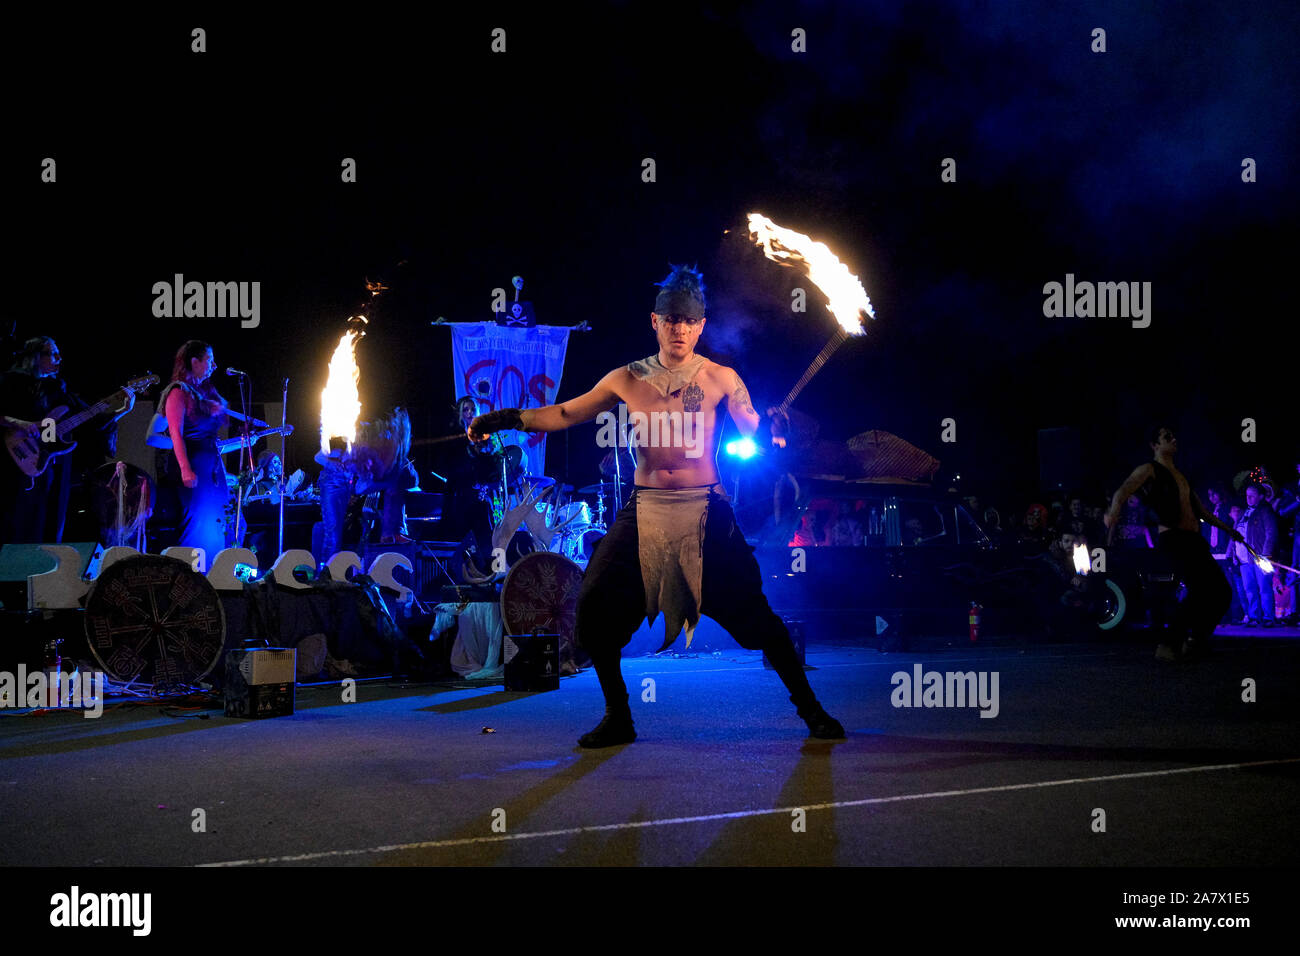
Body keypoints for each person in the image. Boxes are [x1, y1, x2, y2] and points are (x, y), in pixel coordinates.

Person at [468, 264, 843, 746]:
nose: (680, 328)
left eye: (689, 321)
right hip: (644, 510)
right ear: (655, 321)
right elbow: (565, 412)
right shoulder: (627, 379)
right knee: (594, 608)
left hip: (706, 512)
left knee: (758, 622)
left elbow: (754, 428)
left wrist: (777, 429)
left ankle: (812, 711)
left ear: (701, 326)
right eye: (671, 319)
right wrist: (503, 418)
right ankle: (619, 718)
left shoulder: (721, 378)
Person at [1104, 426, 1241, 660]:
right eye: (1167, 437)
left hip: (1193, 540)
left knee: (1222, 592)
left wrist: (1229, 529)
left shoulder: (1181, 475)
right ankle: (1168, 645)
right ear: (1154, 445)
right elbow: (1124, 490)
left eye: (1173, 435)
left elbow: (1201, 511)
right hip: (1173, 539)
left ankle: (1195, 640)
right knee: (1199, 590)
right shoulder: (1149, 469)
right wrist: (1113, 511)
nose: (1174, 439)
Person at [0, 336, 134, 544]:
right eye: (53, 353)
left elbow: (88, 418)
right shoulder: (11, 382)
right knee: (15, 521)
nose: (59, 358)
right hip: (13, 456)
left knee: (47, 522)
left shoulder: (58, 388)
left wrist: (121, 411)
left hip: (48, 464)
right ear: (36, 356)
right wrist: (23, 424)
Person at [153, 341, 230, 564]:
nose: (214, 365)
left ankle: (217, 572)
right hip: (193, 464)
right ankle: (193, 575)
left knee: (219, 520)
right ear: (194, 362)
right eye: (209, 360)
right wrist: (186, 469)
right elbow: (175, 433)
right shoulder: (177, 391)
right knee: (199, 523)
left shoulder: (204, 392)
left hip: (211, 465)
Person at [316, 407, 417, 556]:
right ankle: (327, 570)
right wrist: (340, 466)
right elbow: (318, 457)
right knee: (330, 531)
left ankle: (391, 534)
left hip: (363, 494)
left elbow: (412, 480)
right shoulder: (348, 444)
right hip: (340, 492)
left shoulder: (387, 452)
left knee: (394, 484)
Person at [1235, 483, 1278, 627]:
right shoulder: (1244, 512)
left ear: (1261, 496)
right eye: (1247, 495)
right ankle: (1254, 616)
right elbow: (1236, 533)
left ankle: (1268, 617)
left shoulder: (1265, 511)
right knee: (1250, 589)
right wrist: (1234, 553)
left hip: (1259, 557)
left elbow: (1271, 533)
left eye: (1252, 495)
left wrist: (1265, 554)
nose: (1248, 498)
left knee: (1264, 588)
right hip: (1244, 559)